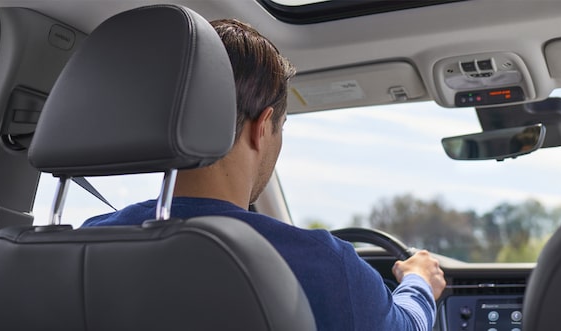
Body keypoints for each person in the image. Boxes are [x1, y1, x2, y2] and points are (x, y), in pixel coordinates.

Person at [82, 19, 446, 331]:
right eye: (281, 126)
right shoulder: (321, 264)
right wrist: (419, 281)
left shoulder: (87, 244)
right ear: (263, 125)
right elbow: (407, 324)